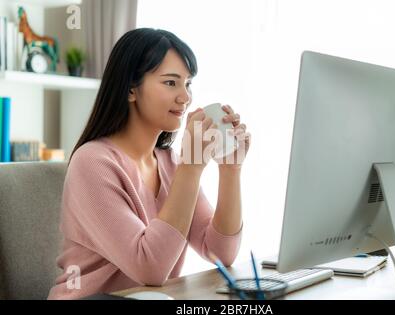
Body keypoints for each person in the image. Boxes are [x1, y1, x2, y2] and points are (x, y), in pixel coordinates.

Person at [48, 28, 251, 299]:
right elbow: (149, 267)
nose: (185, 97)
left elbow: (220, 253)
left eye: (187, 83)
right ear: (131, 89)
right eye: (170, 83)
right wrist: (192, 167)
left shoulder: (170, 163)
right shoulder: (92, 163)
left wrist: (230, 170)